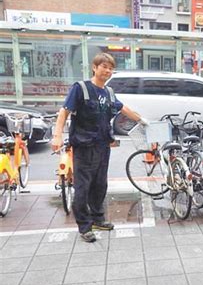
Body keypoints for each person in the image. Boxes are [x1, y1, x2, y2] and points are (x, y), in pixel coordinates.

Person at [52, 53, 148, 243]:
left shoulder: (109, 92)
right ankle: (85, 227)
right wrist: (57, 135)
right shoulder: (80, 88)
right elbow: (64, 112)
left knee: (100, 185)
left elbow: (123, 108)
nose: (108, 71)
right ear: (94, 67)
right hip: (84, 145)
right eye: (104, 66)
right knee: (83, 187)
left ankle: (97, 219)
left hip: (103, 145)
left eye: (111, 68)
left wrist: (142, 120)